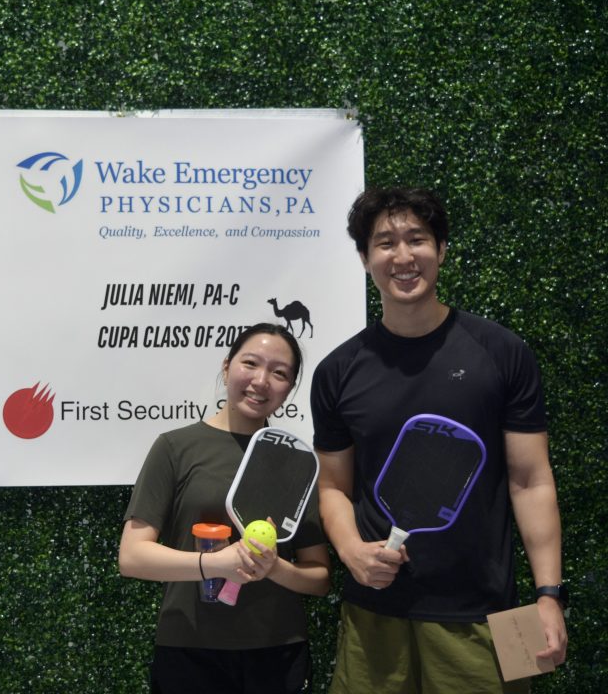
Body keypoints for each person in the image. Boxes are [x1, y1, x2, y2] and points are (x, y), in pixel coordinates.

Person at [310, 187, 568, 693]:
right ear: (365, 259)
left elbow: (530, 480)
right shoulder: (337, 372)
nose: (403, 256)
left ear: (442, 249)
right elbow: (333, 488)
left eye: (417, 239)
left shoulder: (502, 352)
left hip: (485, 614)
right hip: (373, 617)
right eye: (385, 243)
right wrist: (351, 551)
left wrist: (549, 594)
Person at [120, 323, 331, 694]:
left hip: (277, 653)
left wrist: (274, 567)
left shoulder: (297, 463)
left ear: (290, 388)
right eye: (250, 363)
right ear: (226, 367)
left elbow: (318, 578)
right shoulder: (175, 448)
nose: (261, 380)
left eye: (279, 373)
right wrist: (214, 565)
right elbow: (133, 557)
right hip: (189, 649)